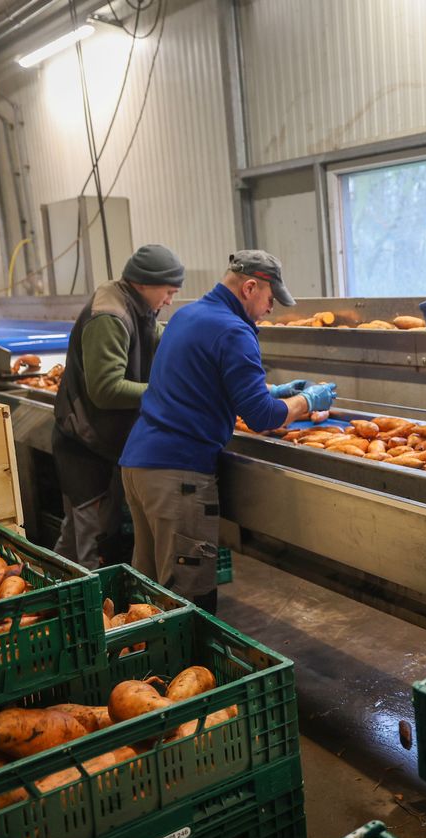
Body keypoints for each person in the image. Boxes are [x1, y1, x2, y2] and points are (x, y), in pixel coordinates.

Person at [118, 250, 336, 613]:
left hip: (139, 467)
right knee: (185, 598)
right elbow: (262, 417)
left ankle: (146, 666)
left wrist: (273, 390)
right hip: (178, 475)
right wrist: (307, 402)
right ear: (250, 287)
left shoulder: (187, 315)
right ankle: (188, 669)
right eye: (270, 299)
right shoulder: (234, 331)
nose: (271, 308)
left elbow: (200, 381)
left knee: (149, 592)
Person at [52, 244, 183, 569]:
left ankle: (54, 596)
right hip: (86, 446)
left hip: (101, 440)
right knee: (90, 546)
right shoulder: (110, 316)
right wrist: (166, 392)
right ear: (143, 283)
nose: (169, 300)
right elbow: (106, 390)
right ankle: (88, 614)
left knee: (74, 539)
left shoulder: (136, 304)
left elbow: (153, 338)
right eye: (168, 292)